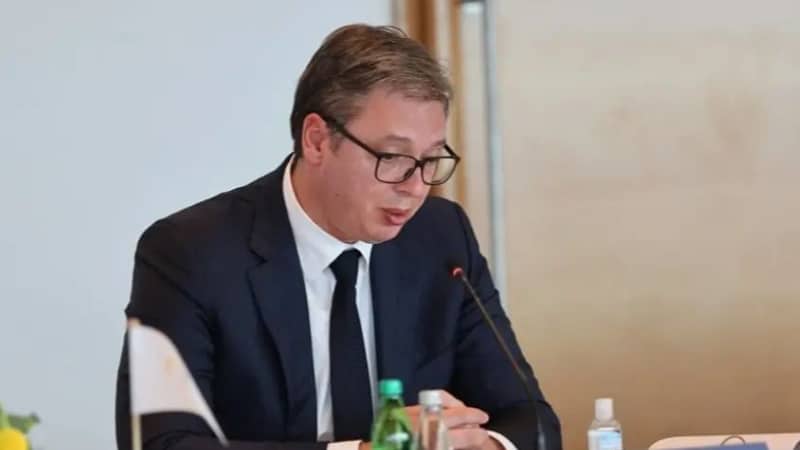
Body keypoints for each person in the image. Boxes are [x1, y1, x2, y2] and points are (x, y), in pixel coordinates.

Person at [115, 24, 561, 450]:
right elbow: (162, 442)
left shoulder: (440, 239)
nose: (415, 187)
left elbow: (531, 420)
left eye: (430, 160)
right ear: (317, 140)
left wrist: (484, 443)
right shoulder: (191, 252)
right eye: (393, 157)